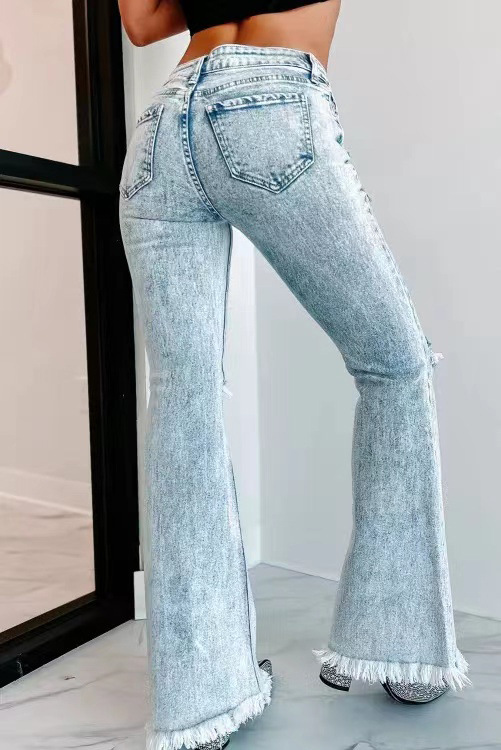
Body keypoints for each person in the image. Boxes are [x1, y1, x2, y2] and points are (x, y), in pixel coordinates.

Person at [117, 1, 471, 748]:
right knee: (395, 365)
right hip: (268, 99)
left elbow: (143, 25)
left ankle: (201, 705)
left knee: (182, 401)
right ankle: (398, 646)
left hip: (164, 126)